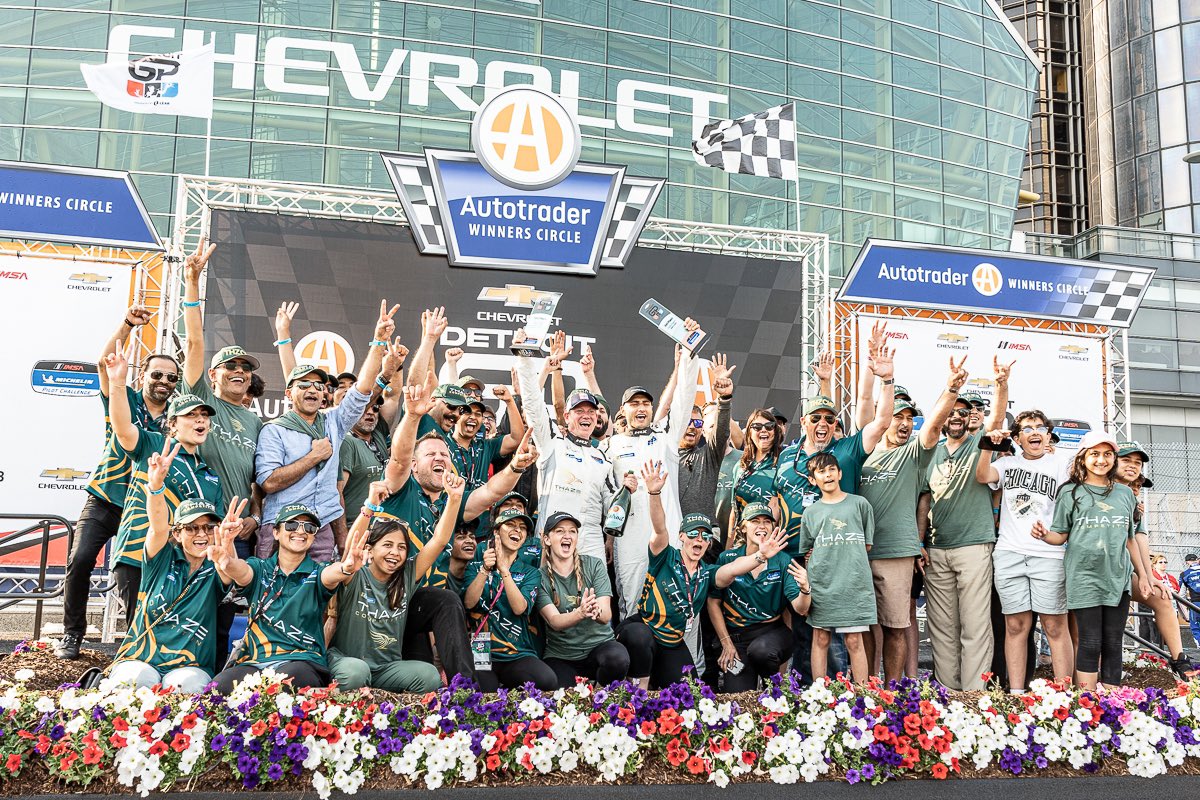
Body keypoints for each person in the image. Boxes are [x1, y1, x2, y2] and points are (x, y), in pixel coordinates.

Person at [380, 382, 537, 681]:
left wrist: (515, 467)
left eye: (444, 454)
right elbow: (399, 458)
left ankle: (464, 691)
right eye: (431, 455)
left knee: (445, 610)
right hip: (390, 598)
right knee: (421, 677)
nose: (440, 458)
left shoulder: (453, 500)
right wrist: (412, 417)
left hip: (422, 604)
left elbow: (490, 492)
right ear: (414, 465)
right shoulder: (401, 489)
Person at [772, 330, 895, 677]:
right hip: (796, 555)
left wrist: (886, 378)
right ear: (804, 424)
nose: (824, 423)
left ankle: (845, 699)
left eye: (830, 420)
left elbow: (882, 422)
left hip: (840, 561)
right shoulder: (789, 455)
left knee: (840, 640)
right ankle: (805, 695)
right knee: (803, 633)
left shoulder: (848, 451)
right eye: (816, 419)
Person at [58, 301, 175, 660]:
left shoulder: (178, 419)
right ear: (143, 377)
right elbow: (104, 363)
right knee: (79, 561)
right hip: (105, 499)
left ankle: (133, 639)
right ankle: (72, 634)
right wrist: (127, 325)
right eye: (157, 375)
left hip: (142, 508)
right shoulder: (126, 397)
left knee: (136, 575)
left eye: (172, 378)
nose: (164, 382)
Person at [615, 461, 787, 689]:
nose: (699, 539)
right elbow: (659, 529)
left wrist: (761, 556)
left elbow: (732, 569)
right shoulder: (665, 556)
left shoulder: (707, 573)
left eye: (705, 536)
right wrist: (654, 493)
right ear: (682, 537)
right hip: (645, 627)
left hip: (672, 641)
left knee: (691, 692)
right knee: (639, 637)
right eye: (693, 534)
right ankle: (638, 696)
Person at [256, 300, 397, 561]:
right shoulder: (273, 430)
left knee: (319, 598)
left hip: (321, 530)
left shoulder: (333, 422)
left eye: (318, 385)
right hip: (282, 529)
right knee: (272, 598)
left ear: (324, 394)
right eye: (304, 384)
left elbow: (362, 391)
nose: (312, 389)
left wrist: (378, 342)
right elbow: (269, 482)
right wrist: (313, 457)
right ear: (289, 393)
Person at [103, 340, 223, 628]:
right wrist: (118, 384)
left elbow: (211, 530)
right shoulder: (153, 444)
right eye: (191, 416)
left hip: (183, 567)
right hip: (137, 556)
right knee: (140, 634)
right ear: (172, 425)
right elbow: (121, 427)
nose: (200, 420)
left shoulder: (211, 476)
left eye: (204, 416)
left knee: (170, 636)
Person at [859, 356, 963, 683]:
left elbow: (932, 427)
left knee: (896, 625)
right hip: (858, 551)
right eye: (897, 416)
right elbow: (864, 403)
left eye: (909, 418)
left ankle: (891, 692)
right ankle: (866, 688)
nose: (904, 423)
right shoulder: (863, 448)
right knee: (861, 626)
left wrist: (951, 390)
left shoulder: (914, 452)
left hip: (896, 553)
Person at [109, 440, 236, 692]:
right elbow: (158, 526)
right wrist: (155, 486)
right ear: (177, 533)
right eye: (191, 527)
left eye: (208, 527)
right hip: (140, 658)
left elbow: (230, 566)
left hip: (191, 665)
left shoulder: (216, 568)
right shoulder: (161, 559)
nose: (201, 534)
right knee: (137, 678)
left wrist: (228, 541)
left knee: (184, 684)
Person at [209, 503, 370, 692]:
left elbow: (334, 573)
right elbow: (241, 571)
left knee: (287, 682)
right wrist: (226, 561)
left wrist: (346, 567)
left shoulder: (317, 573)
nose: (301, 531)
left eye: (309, 528)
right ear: (276, 532)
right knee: (217, 688)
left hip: (301, 661)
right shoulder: (260, 568)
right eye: (292, 525)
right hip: (255, 662)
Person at [977, 386, 1075, 692]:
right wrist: (987, 446)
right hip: (1010, 553)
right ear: (1016, 439)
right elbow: (982, 476)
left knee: (1054, 625)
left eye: (1040, 428)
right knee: (1016, 626)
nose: (1035, 433)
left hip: (1049, 554)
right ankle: (1017, 692)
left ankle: (1063, 694)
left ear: (1048, 436)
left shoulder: (1063, 464)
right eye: (1027, 429)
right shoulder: (1007, 464)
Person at [604, 324, 704, 623]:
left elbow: (685, 398)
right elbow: (604, 494)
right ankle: (635, 669)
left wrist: (690, 352)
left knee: (679, 603)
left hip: (670, 532)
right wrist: (621, 489)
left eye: (646, 403)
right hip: (630, 537)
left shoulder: (666, 437)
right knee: (632, 604)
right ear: (623, 411)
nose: (641, 408)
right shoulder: (611, 445)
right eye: (634, 404)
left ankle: (688, 670)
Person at [325, 476, 460, 693]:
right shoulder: (355, 573)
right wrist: (370, 506)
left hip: (386, 669)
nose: (395, 553)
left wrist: (454, 499)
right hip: (347, 661)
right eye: (387, 545)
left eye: (401, 547)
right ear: (370, 549)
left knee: (429, 675)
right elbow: (352, 546)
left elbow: (439, 541)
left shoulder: (406, 575)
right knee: (357, 672)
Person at [921, 357, 1007, 691]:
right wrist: (920, 544)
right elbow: (923, 500)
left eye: (963, 412)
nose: (956, 416)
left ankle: (973, 695)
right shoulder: (929, 452)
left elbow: (997, 418)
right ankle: (947, 693)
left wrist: (1001, 383)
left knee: (974, 625)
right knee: (942, 628)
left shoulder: (980, 444)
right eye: (951, 412)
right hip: (937, 548)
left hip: (974, 546)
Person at [1032, 430, 1143, 690]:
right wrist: (1045, 535)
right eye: (1094, 454)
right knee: (1090, 641)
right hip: (1084, 576)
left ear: (1114, 459)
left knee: (1114, 640)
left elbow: (1130, 540)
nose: (1101, 460)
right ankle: (1088, 700)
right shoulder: (1071, 492)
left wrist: (1146, 577)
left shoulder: (1126, 494)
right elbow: (1060, 535)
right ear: (1083, 458)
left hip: (1118, 578)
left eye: (1107, 454)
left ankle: (1113, 701)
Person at [180, 239, 264, 557]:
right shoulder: (200, 402)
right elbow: (194, 342)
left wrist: (255, 518)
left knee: (227, 609)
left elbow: (258, 481)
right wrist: (191, 282)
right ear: (213, 375)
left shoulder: (255, 421)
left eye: (245, 367)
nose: (239, 371)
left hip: (237, 535)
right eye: (230, 365)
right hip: (198, 530)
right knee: (192, 607)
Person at [515, 331, 617, 561]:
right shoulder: (551, 440)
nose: (587, 416)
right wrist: (524, 358)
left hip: (590, 540)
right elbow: (532, 403)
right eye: (580, 411)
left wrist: (611, 538)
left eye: (591, 412)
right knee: (550, 597)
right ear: (567, 416)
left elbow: (613, 504)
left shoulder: (604, 455)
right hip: (552, 536)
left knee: (598, 597)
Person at [797, 452, 876, 683]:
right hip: (822, 586)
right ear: (813, 480)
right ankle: (820, 695)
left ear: (840, 473)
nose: (828, 474)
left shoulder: (859, 504)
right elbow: (808, 550)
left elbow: (867, 545)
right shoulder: (810, 513)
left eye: (831, 469)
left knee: (854, 641)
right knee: (820, 639)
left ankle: (863, 695)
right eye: (821, 471)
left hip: (853, 585)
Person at [708, 502, 802, 692]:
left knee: (762, 651)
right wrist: (726, 644)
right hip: (737, 638)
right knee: (737, 698)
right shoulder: (727, 557)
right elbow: (713, 602)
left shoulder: (783, 560)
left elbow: (797, 609)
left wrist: (806, 590)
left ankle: (775, 689)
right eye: (755, 521)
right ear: (743, 526)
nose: (762, 526)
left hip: (771, 633)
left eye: (767, 521)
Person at [1116, 442, 1192, 676]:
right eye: (1126, 460)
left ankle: (1179, 659)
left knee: (1162, 597)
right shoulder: (1096, 491)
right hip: (1094, 572)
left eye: (1137, 464)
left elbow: (1139, 538)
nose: (1136, 487)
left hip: (1125, 571)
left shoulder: (1135, 506)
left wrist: (1150, 576)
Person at [463, 507, 555, 690]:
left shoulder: (531, 572)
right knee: (484, 692)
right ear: (496, 532)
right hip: (481, 651)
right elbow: (468, 603)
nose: (517, 530)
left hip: (517, 653)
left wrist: (504, 570)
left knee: (547, 680)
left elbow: (519, 608)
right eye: (510, 525)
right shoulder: (476, 565)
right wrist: (485, 570)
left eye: (522, 527)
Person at [536, 511, 629, 688]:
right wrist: (580, 612)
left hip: (599, 647)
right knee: (564, 700)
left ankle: (602, 695)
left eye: (572, 531)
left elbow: (606, 615)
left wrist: (595, 611)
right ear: (547, 539)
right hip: (562, 656)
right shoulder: (539, 577)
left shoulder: (593, 565)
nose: (567, 536)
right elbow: (554, 621)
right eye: (560, 531)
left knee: (618, 659)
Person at [677, 354, 734, 524]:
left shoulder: (709, 455)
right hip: (674, 532)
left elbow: (722, 432)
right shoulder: (663, 453)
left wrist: (723, 399)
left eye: (697, 422)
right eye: (687, 421)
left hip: (707, 534)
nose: (692, 426)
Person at [339, 399, 389, 530]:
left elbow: (393, 396)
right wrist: (343, 535)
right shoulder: (348, 443)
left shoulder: (378, 436)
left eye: (375, 408)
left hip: (381, 529)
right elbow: (336, 493)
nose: (370, 412)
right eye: (364, 408)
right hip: (355, 528)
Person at [730, 407, 783, 530]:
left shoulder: (783, 464)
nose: (763, 430)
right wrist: (729, 547)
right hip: (741, 539)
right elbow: (733, 511)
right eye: (757, 427)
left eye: (769, 426)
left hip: (768, 539)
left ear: (775, 431)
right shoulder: (740, 466)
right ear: (749, 432)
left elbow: (778, 507)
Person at [1180, 554, 1200, 648]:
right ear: (1197, 560)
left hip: (1195, 603)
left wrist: (1184, 611)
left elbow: (1181, 595)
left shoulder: (1184, 574)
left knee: (1195, 626)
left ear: (1187, 562)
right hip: (1194, 602)